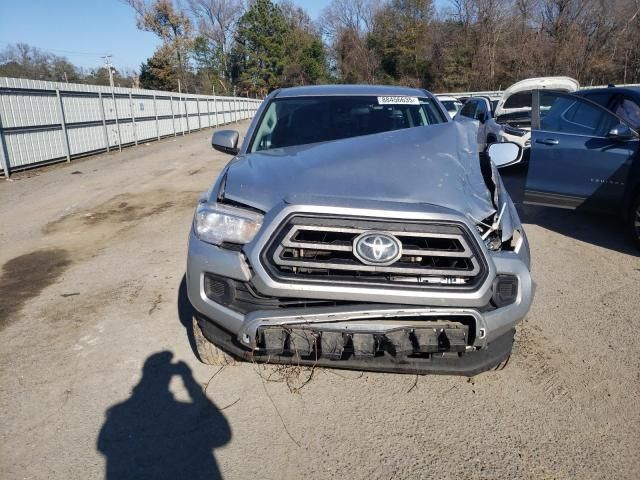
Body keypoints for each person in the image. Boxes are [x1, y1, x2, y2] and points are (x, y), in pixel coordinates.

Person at [97, 351, 231, 480]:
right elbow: (223, 436)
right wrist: (189, 380)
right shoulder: (181, 410)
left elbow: (103, 446)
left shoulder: (118, 414)